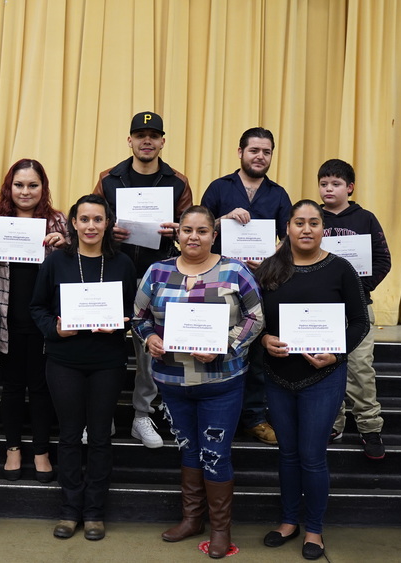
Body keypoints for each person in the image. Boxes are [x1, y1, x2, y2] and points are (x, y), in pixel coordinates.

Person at [132, 206, 263, 559]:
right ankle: (192, 520)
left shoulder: (234, 271)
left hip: (221, 383)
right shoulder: (157, 271)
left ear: (213, 235)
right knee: (188, 451)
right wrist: (149, 339)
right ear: (177, 234)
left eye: (202, 231)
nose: (194, 236)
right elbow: (138, 316)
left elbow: (256, 317)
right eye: (187, 230)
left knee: (215, 455)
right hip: (172, 383)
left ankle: (221, 529)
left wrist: (227, 345)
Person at [255, 199, 369, 560]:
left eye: (314, 223)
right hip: (278, 376)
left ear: (323, 229)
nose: (306, 229)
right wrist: (262, 340)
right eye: (299, 222)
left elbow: (360, 322)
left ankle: (314, 530)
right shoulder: (269, 269)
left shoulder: (341, 269)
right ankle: (288, 521)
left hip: (323, 377)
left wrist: (336, 354)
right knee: (287, 454)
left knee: (312, 456)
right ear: (287, 228)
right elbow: (252, 318)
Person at [29, 194, 136, 541]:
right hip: (64, 361)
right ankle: (69, 511)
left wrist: (120, 324)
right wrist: (55, 329)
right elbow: (38, 307)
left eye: (98, 219)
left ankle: (94, 513)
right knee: (71, 436)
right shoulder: (57, 261)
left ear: (108, 224)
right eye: (84, 219)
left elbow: (133, 314)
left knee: (101, 436)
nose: (91, 226)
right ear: (73, 223)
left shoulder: (123, 263)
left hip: (107, 362)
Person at [93, 111, 193, 449]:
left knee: (151, 352)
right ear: (130, 140)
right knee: (104, 347)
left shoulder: (178, 182)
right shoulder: (109, 179)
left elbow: (190, 235)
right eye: (140, 135)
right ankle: (100, 415)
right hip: (112, 275)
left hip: (159, 278)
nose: (146, 141)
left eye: (153, 135)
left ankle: (141, 415)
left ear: (163, 141)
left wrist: (179, 230)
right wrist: (109, 230)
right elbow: (89, 220)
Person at [0, 159, 68, 482]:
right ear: (9, 187)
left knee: (40, 388)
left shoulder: (57, 221)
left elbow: (73, 272)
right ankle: (12, 448)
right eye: (19, 185)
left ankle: (40, 450)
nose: (25, 191)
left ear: (43, 188)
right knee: (11, 387)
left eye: (32, 185)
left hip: (43, 320)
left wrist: (65, 248)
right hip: (6, 317)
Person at [200, 127, 292, 446]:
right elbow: (197, 231)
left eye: (266, 152)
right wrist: (223, 219)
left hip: (262, 285)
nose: (260, 157)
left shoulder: (278, 194)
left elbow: (289, 239)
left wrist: (270, 257)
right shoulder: (218, 188)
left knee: (255, 354)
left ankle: (253, 417)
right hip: (219, 285)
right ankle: (215, 413)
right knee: (216, 348)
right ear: (240, 152)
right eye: (254, 150)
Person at [318, 158, 391, 459]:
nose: (328, 189)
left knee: (361, 369)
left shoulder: (365, 219)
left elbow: (383, 260)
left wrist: (362, 286)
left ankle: (370, 427)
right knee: (326, 368)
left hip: (357, 309)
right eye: (323, 184)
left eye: (335, 184)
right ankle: (332, 425)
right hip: (321, 310)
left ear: (349, 187)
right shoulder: (312, 218)